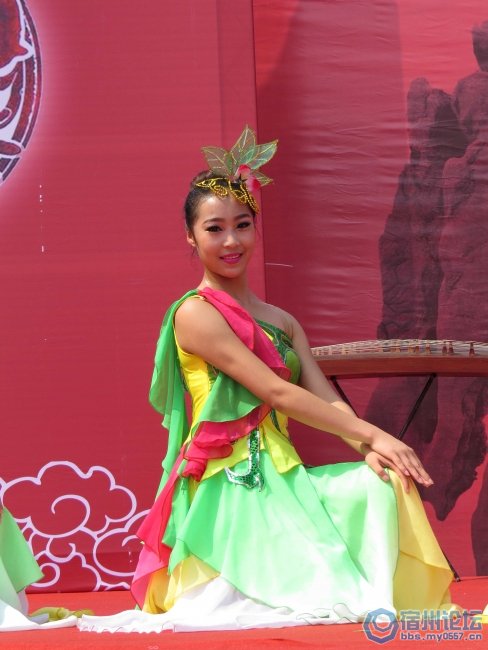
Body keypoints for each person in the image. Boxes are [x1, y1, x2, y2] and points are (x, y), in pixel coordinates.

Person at [79, 126, 453, 633]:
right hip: (231, 481)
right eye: (214, 229)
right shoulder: (195, 313)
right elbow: (277, 392)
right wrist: (378, 434)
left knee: (380, 482)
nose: (231, 241)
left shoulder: (283, 321)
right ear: (191, 236)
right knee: (309, 596)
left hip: (285, 473)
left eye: (242, 225)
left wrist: (367, 447)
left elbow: (326, 399)